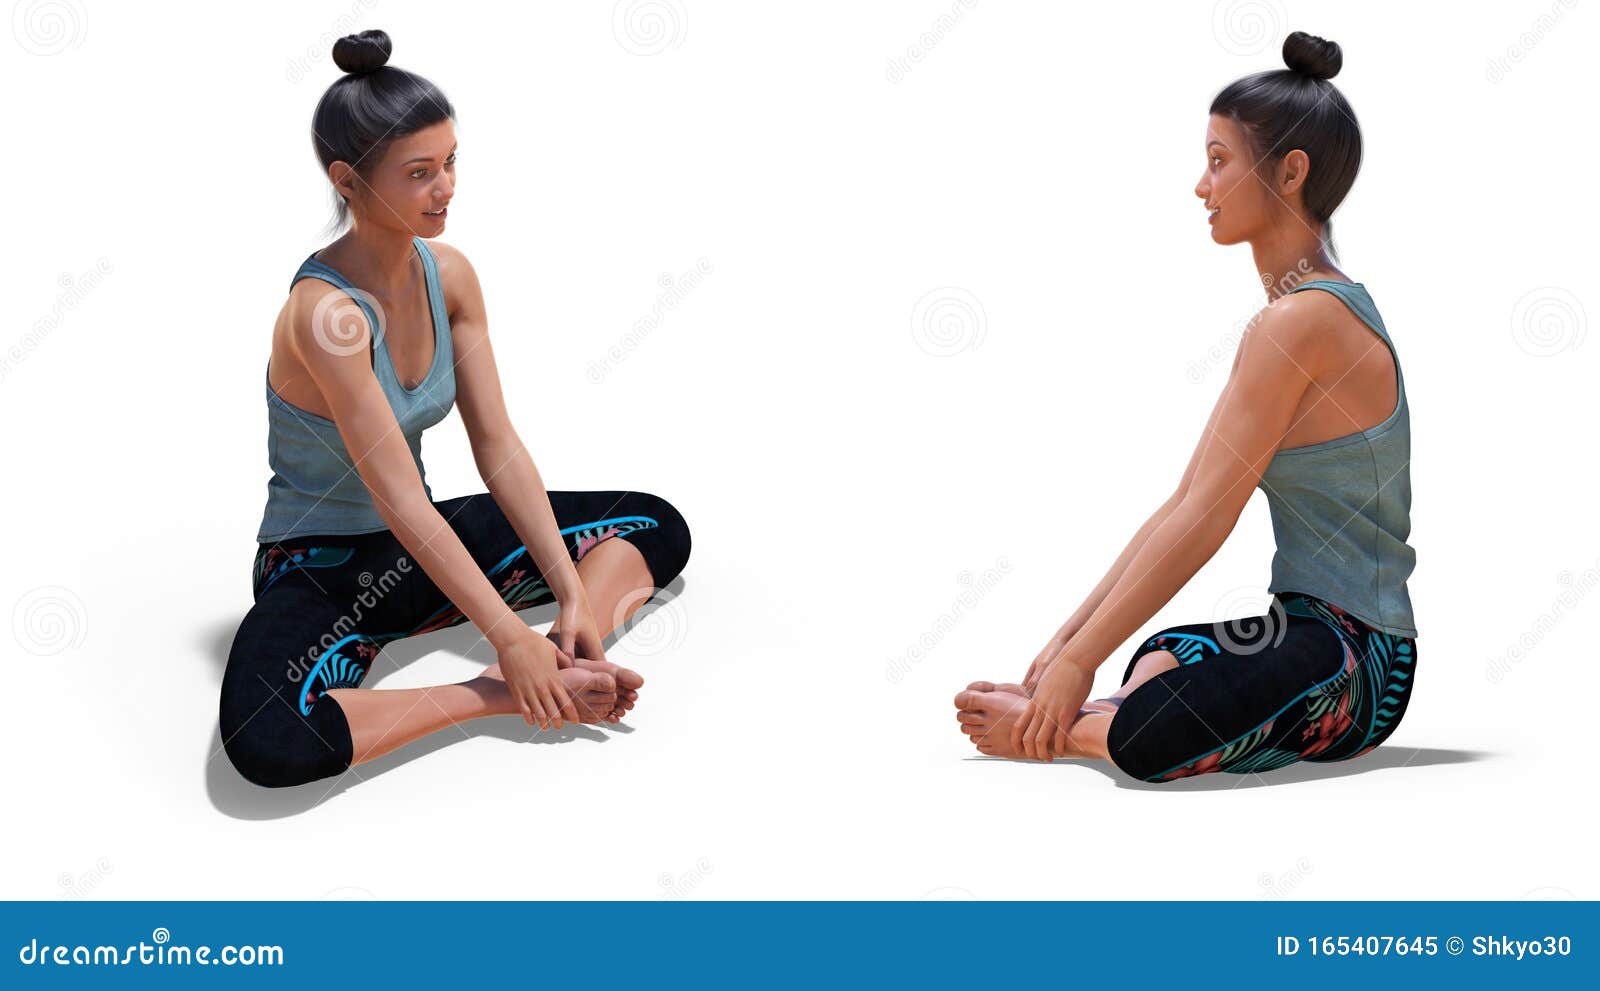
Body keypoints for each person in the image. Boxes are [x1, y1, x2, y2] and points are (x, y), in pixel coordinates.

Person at [220, 29, 691, 788]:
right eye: (418, 173)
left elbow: (497, 445)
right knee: (267, 737)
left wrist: (571, 598)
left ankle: (568, 660)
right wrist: (506, 643)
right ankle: (501, 693)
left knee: (655, 524)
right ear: (347, 180)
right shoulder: (325, 315)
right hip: (323, 573)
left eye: (449, 163)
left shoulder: (452, 276)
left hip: (423, 551)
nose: (446, 189)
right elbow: (397, 496)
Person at [954, 31, 1418, 782]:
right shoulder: (1293, 315)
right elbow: (1182, 502)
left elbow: (1208, 520)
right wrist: (1062, 651)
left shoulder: (1303, 323)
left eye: (1219, 161)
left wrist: (1076, 668)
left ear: (1290, 173)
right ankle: (1091, 712)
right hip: (1291, 625)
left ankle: (1073, 732)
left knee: (1158, 728)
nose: (1202, 186)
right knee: (1165, 654)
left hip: (1359, 655)